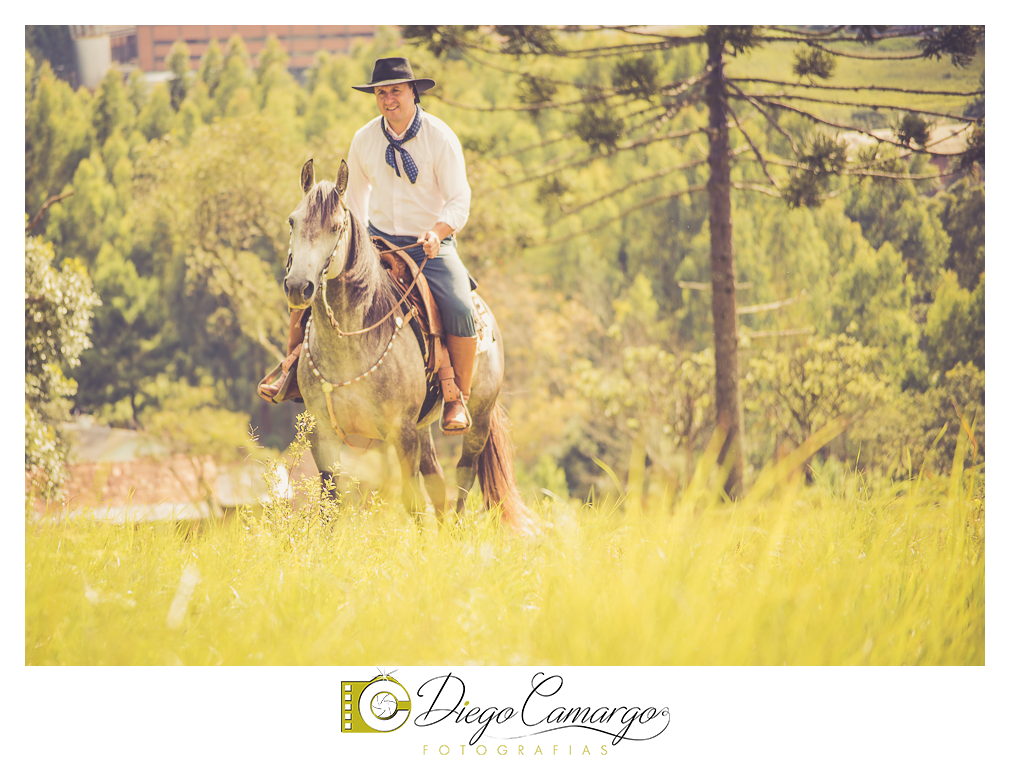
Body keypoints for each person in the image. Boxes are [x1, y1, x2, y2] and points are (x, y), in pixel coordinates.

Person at [259, 57, 478, 436]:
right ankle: (293, 367)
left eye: (395, 90)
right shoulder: (364, 139)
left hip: (430, 244)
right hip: (376, 243)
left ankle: (456, 394)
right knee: (311, 285)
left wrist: (437, 232)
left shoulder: (440, 137)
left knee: (458, 301)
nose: (388, 99)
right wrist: (354, 249)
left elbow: (459, 199)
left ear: (413, 92)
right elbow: (354, 204)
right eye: (381, 92)